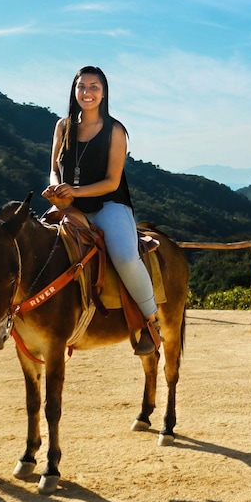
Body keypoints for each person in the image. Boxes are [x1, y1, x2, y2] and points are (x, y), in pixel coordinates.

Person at [42, 66, 160, 355]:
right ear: (74, 90)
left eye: (94, 87)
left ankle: (149, 321)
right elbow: (53, 169)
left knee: (125, 256)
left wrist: (76, 191)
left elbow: (112, 181)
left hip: (109, 205)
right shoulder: (62, 126)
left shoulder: (115, 130)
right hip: (70, 205)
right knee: (40, 246)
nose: (87, 92)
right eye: (82, 86)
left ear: (104, 92)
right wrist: (56, 189)